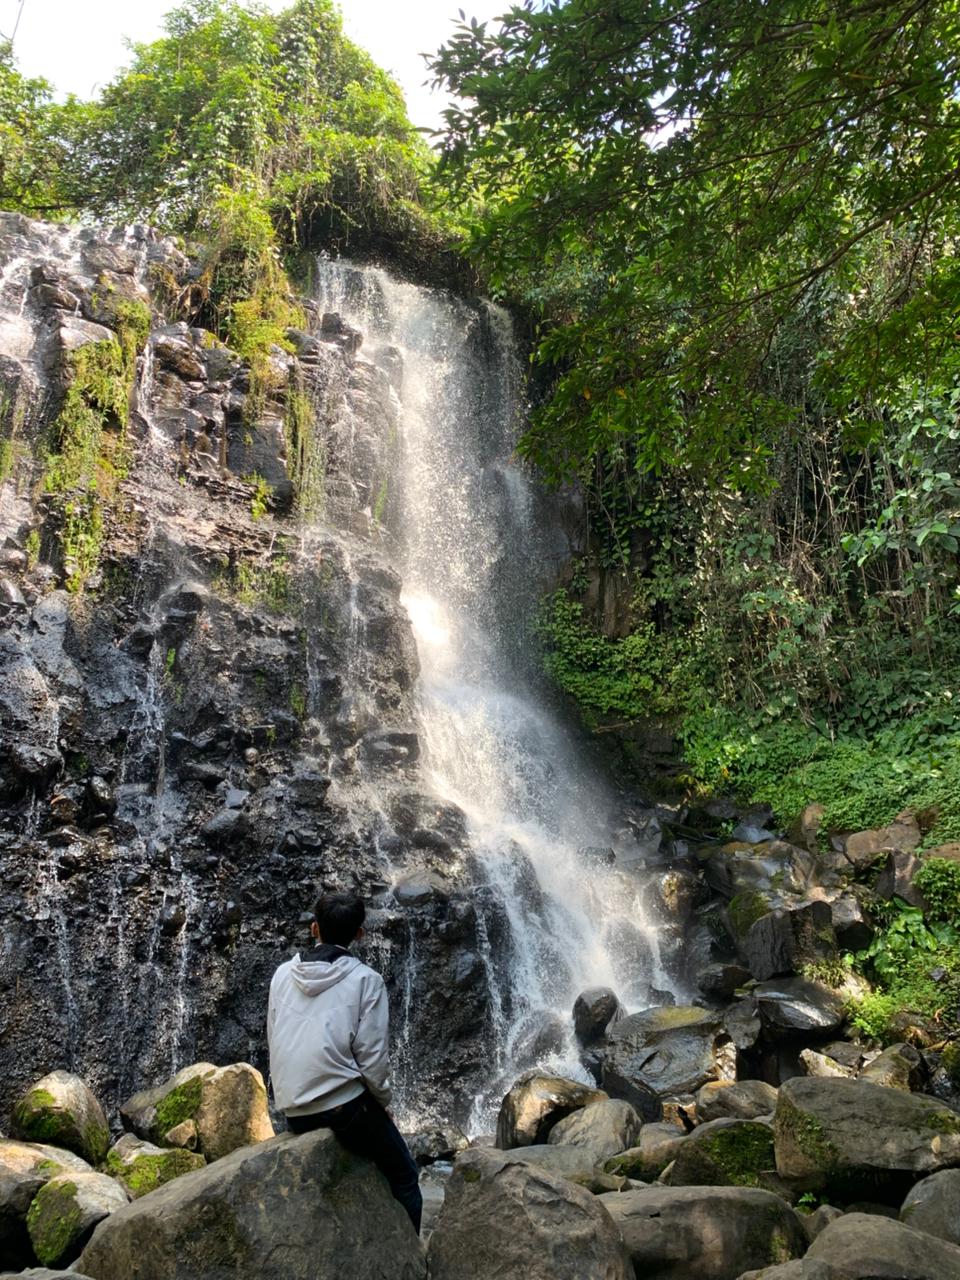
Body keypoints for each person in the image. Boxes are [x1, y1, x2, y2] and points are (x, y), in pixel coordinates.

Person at [267, 891, 422, 1232]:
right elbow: (372, 1059)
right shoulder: (366, 980)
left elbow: (274, 1037)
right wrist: (383, 1104)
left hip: (293, 1110)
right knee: (407, 1176)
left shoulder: (282, 975)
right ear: (360, 934)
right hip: (343, 1109)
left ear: (314, 929)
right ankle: (408, 1260)